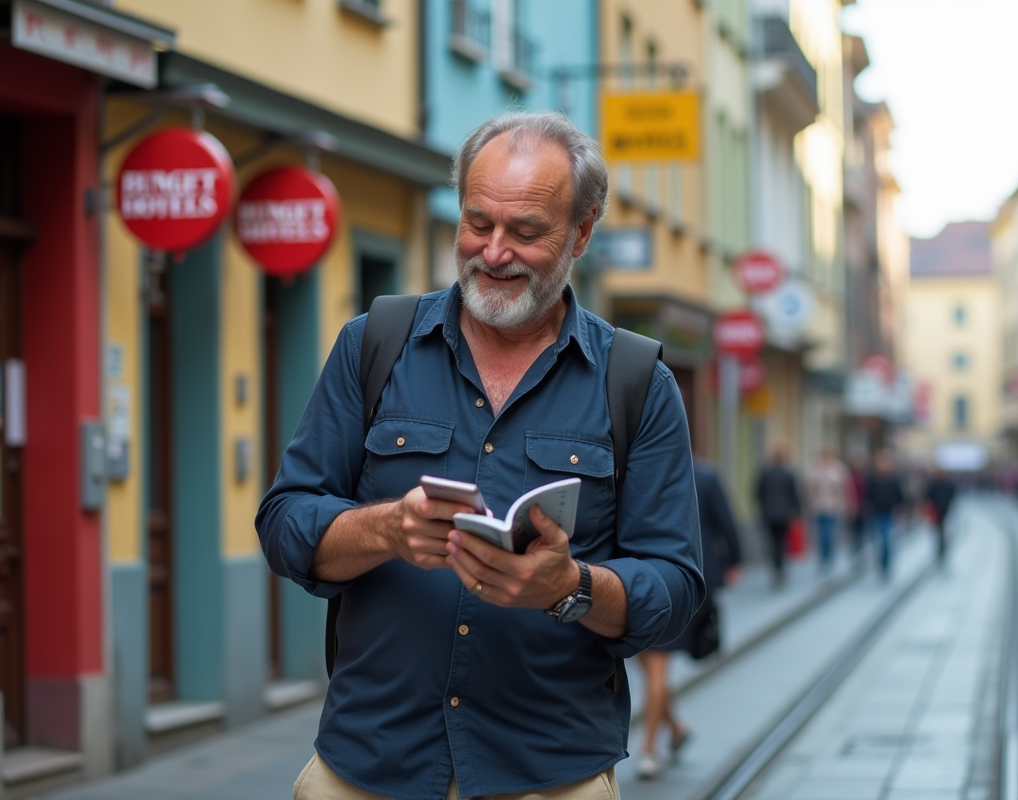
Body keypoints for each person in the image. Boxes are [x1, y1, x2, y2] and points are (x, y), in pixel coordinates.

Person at [255, 112, 705, 800]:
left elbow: (674, 590)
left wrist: (570, 587)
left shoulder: (636, 381)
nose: (493, 252)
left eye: (526, 231)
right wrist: (386, 528)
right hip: (370, 764)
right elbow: (284, 523)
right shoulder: (373, 344)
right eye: (477, 222)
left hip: (547, 773)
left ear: (582, 232)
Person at [635, 458, 742, 780]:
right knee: (649, 665)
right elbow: (726, 522)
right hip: (676, 577)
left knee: (655, 664)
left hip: (665, 579)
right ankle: (676, 728)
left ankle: (649, 749)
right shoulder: (705, 476)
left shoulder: (645, 470)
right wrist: (733, 560)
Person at [756, 443, 802, 587]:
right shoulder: (788, 473)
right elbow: (793, 494)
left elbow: (758, 492)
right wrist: (796, 510)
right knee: (781, 541)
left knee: (772, 542)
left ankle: (775, 567)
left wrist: (763, 507)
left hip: (768, 514)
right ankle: (780, 568)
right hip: (784, 514)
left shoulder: (765, 473)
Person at [804, 448, 850, 571]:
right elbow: (807, 489)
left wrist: (844, 505)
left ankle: (828, 557)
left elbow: (844, 489)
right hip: (817, 507)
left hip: (832, 507)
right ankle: (823, 558)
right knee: (819, 534)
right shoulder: (813, 469)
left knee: (828, 534)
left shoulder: (838, 469)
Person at [864, 450, 905, 579]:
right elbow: (867, 497)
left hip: (889, 514)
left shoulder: (894, 480)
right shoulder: (872, 479)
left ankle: (886, 564)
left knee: (886, 541)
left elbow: (900, 498)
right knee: (878, 542)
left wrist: (900, 511)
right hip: (875, 514)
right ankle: (881, 563)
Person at [923, 466, 957, 563]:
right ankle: (941, 550)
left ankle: (941, 550)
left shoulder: (934, 485)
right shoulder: (939, 485)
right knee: (941, 532)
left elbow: (927, 497)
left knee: (940, 532)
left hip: (940, 512)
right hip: (940, 512)